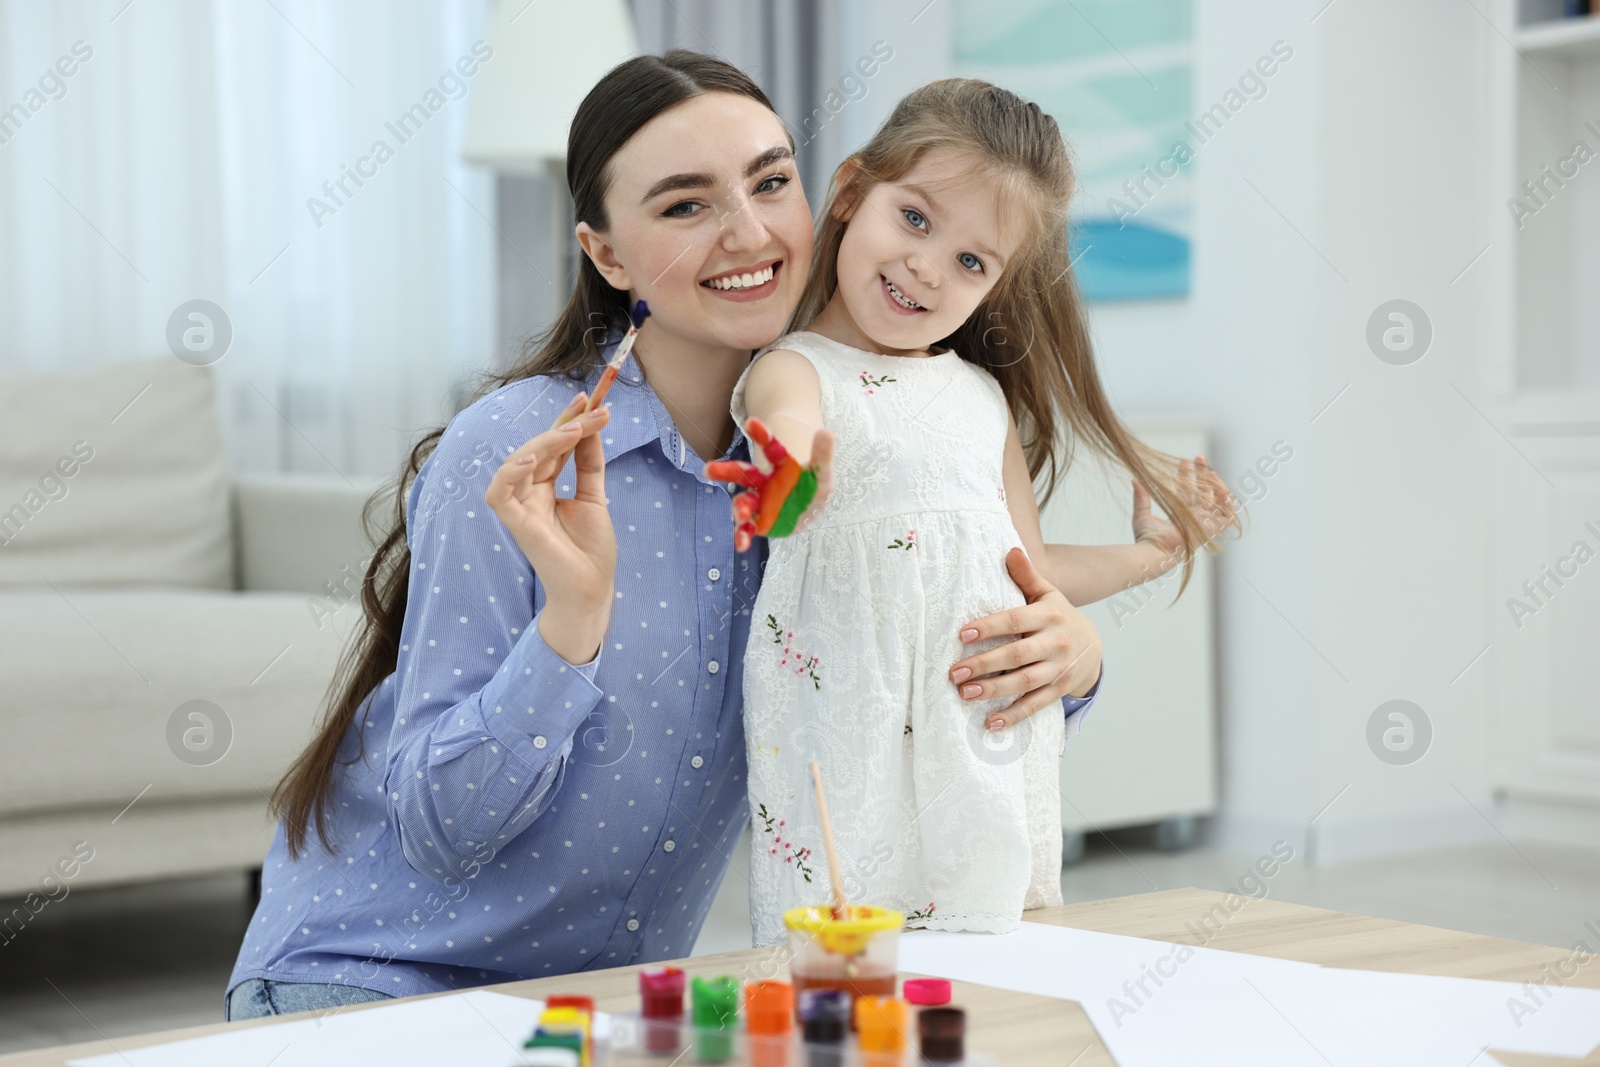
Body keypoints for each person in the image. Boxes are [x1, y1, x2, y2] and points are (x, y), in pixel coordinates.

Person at [223, 52, 1126, 1019]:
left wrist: (1070, 662)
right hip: (371, 984)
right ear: (608, 256)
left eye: (771, 182)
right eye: (685, 205)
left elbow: (898, 704)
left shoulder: (830, 461)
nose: (749, 232)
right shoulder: (528, 446)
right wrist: (570, 628)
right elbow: (444, 834)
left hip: (609, 1010)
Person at [717, 78, 1236, 943]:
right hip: (854, 740)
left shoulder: (980, 399)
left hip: (989, 742)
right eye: (915, 219)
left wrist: (1153, 552)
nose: (927, 266)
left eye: (971, 261)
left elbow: (1024, 567)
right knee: (850, 959)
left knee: (1002, 954)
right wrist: (787, 475)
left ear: (997, 285)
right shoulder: (799, 366)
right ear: (851, 191)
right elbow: (792, 431)